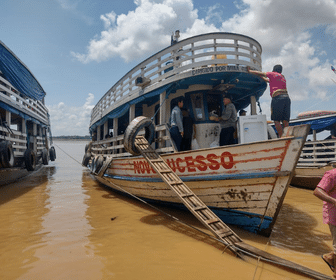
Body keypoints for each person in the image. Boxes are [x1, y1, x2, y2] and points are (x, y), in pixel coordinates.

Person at [248, 64, 291, 137]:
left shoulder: (272, 74)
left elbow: (261, 73)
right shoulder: (282, 77)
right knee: (285, 120)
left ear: (274, 69)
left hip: (278, 97)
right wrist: (261, 77)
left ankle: (281, 136)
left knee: (276, 120)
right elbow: (268, 80)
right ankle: (287, 135)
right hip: (286, 98)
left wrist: (250, 71)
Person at [313, 169, 336, 278]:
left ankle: (330, 258)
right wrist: (334, 201)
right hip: (334, 214)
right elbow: (317, 191)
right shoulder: (332, 174)